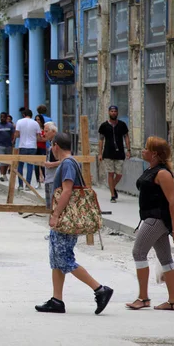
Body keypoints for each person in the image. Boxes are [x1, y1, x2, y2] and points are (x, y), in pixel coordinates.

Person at [35, 132, 114, 315]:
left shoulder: (68, 163)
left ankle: (100, 289)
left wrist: (55, 214)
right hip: (67, 217)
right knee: (56, 259)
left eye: (51, 146)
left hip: (66, 218)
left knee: (65, 260)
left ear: (55, 145)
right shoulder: (69, 162)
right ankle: (57, 300)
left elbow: (67, 191)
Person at [126, 137, 174, 311]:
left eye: (146, 149)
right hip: (151, 217)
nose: (143, 151)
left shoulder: (163, 174)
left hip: (157, 219)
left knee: (138, 252)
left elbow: (173, 202)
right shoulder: (152, 170)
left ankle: (143, 298)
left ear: (154, 154)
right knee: (165, 259)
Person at [98, 105, 131, 203]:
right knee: (111, 173)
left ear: (117, 113)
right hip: (108, 153)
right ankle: (113, 195)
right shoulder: (104, 126)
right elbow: (100, 140)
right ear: (109, 112)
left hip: (119, 153)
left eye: (115, 111)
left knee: (119, 174)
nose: (113, 113)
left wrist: (128, 150)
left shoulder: (122, 125)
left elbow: (126, 137)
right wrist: (100, 153)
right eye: (111, 111)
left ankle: (112, 187)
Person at [14, 109, 41, 191]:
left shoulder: (19, 122)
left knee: (20, 166)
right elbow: (38, 137)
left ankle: (20, 185)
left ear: (23, 114)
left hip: (22, 146)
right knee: (30, 166)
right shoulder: (35, 123)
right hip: (32, 146)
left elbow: (17, 134)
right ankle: (28, 185)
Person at [43, 122, 59, 209]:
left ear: (53, 131)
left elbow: (66, 159)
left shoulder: (58, 144)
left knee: (54, 207)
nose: (44, 134)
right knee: (50, 207)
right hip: (49, 178)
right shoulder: (51, 143)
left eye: (46, 131)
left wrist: (50, 164)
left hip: (55, 179)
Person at [34, 114, 47, 189]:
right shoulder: (34, 128)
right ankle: (37, 181)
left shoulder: (44, 128)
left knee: (43, 164)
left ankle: (45, 179)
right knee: (36, 165)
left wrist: (39, 138)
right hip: (35, 147)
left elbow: (45, 138)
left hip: (42, 147)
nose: (37, 121)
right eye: (36, 120)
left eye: (39, 120)